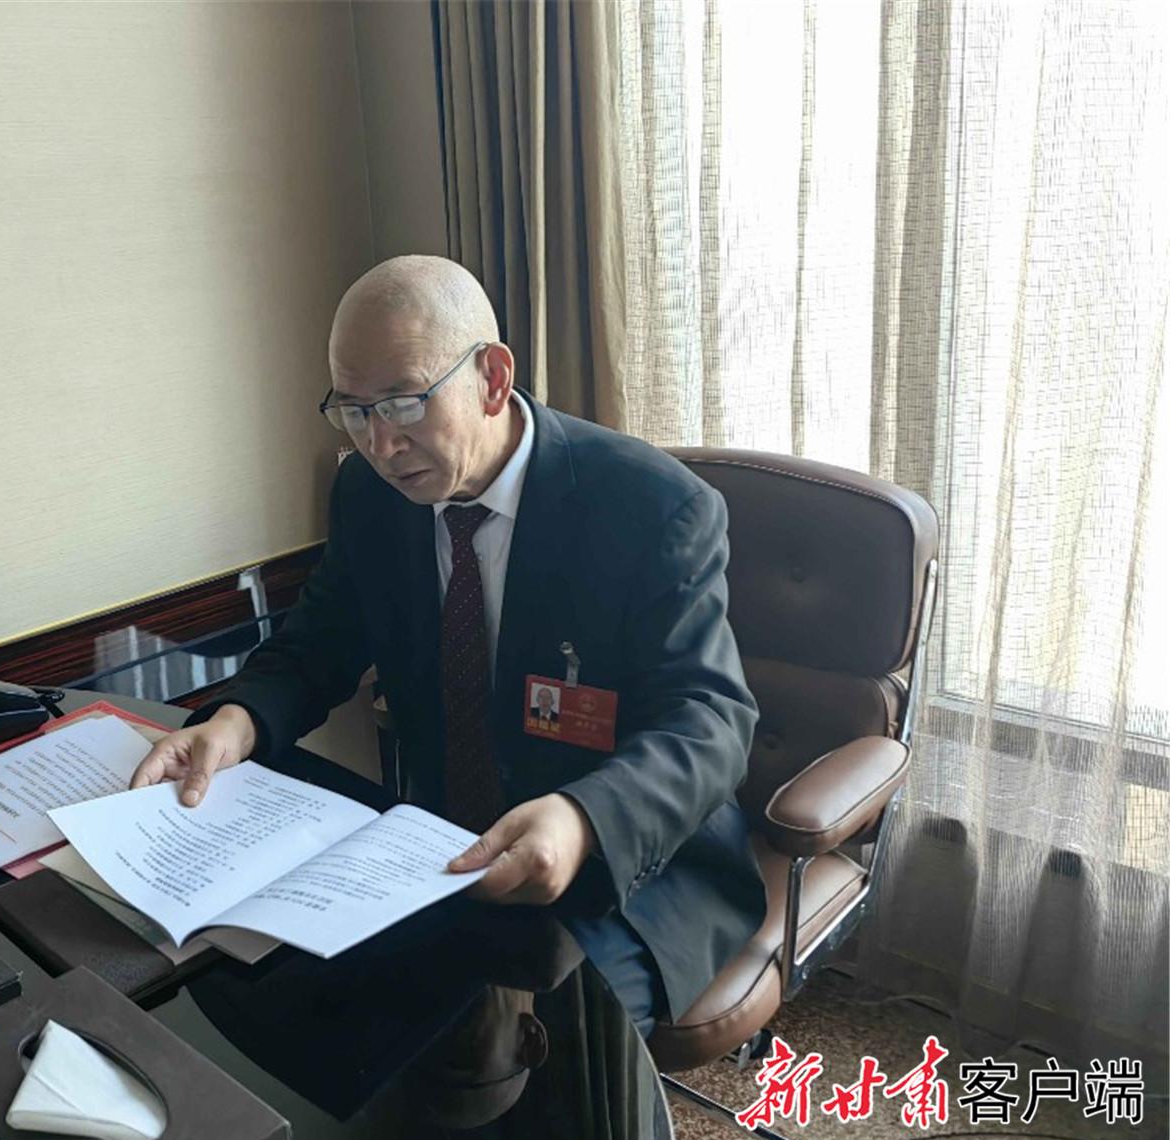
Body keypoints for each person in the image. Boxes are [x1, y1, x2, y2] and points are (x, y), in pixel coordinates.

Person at [130, 255, 768, 1032]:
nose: (380, 444)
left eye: (403, 404)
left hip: (628, 865)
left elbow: (709, 721)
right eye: (353, 411)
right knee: (296, 1003)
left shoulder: (650, 507)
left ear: (492, 379)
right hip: (440, 850)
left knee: (544, 1047)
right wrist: (234, 724)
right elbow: (317, 643)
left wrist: (582, 819)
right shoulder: (370, 495)